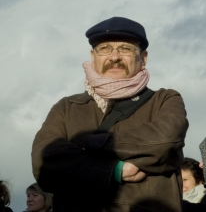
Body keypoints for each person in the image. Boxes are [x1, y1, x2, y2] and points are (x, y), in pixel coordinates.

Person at [31, 17, 189, 212]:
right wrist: (115, 170)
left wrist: (88, 145)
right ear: (93, 56)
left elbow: (164, 142)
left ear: (144, 57)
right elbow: (44, 162)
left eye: (125, 48)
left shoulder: (165, 100)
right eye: (105, 48)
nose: (114, 57)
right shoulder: (66, 107)